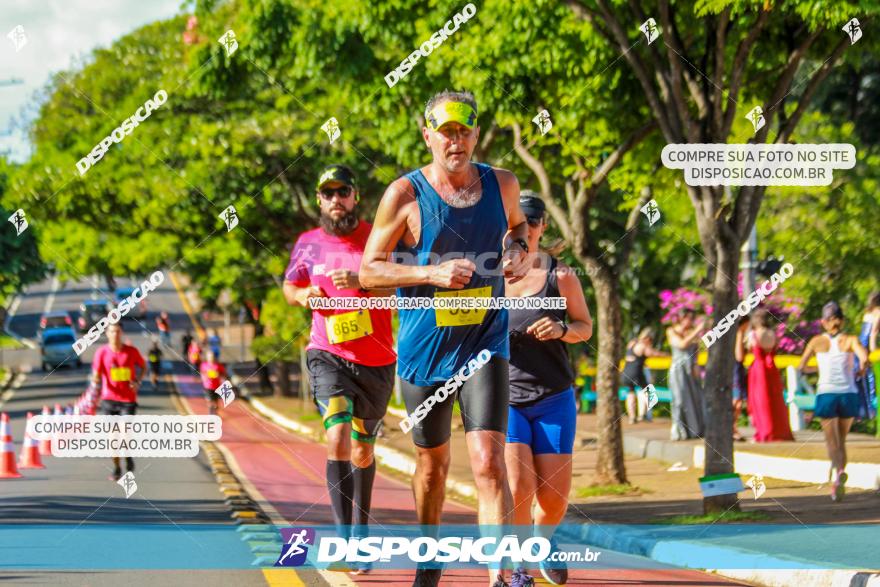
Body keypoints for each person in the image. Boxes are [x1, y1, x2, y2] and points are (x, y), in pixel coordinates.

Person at [360, 89, 530, 587]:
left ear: (476, 134)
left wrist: (519, 251)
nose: (455, 141)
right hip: (423, 352)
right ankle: (429, 559)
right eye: (446, 132)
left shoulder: (503, 184)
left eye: (464, 131)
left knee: (488, 462)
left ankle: (500, 576)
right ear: (427, 134)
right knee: (432, 467)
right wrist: (432, 275)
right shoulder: (404, 195)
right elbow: (368, 271)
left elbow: (518, 229)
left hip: (485, 342)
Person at [283, 164, 396, 573]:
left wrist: (364, 282)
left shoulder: (375, 238)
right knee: (337, 437)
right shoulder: (307, 244)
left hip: (377, 359)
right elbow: (289, 286)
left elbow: (401, 286)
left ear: (354, 196)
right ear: (319, 199)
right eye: (327, 193)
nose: (336, 200)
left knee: (364, 448)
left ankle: (360, 533)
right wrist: (303, 295)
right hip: (327, 352)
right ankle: (344, 537)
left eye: (342, 192)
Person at [503, 193, 593, 586]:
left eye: (534, 220)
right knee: (519, 486)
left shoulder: (562, 275)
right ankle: (521, 567)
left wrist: (561, 330)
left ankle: (544, 540)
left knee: (553, 497)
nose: (527, 228)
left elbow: (584, 326)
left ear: (542, 227)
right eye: (518, 221)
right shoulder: (490, 277)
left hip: (553, 397)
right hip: (505, 398)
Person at [798, 302, 870, 501]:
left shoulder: (816, 341)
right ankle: (840, 475)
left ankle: (837, 476)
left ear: (823, 321)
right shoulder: (850, 340)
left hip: (827, 394)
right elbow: (864, 358)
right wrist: (861, 369)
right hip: (848, 394)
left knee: (832, 442)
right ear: (842, 320)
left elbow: (802, 366)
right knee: (842, 440)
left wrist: (817, 369)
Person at [89, 322, 145, 481]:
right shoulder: (101, 353)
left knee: (125, 434)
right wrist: (95, 379)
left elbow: (142, 366)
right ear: (107, 334)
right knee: (113, 438)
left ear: (122, 333)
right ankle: (116, 467)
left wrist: (138, 381)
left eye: (118, 331)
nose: (115, 334)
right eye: (112, 331)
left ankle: (128, 457)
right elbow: (96, 374)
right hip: (109, 400)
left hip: (128, 400)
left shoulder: (131, 351)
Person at [740, 309, 793, 442]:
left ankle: (766, 431)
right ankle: (779, 430)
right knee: (776, 400)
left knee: (761, 400)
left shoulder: (753, 335)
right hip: (772, 369)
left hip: (759, 370)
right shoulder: (773, 334)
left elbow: (743, 353)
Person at [666, 309, 706, 441]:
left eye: (691, 319)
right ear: (681, 318)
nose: (689, 321)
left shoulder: (691, 331)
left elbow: (696, 350)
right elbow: (681, 344)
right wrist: (697, 330)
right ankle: (679, 431)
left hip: (690, 368)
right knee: (680, 399)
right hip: (678, 369)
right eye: (687, 318)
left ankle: (695, 430)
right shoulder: (671, 331)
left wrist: (696, 364)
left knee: (695, 397)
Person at [622, 328, 666, 424]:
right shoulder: (642, 346)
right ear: (647, 338)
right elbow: (654, 353)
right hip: (636, 372)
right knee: (649, 391)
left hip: (626, 371)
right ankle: (642, 415)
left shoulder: (632, 343)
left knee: (630, 393)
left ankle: (632, 417)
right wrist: (667, 354)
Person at [855, 292, 879, 420]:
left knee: (864, 381)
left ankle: (866, 412)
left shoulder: (867, 314)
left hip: (859, 347)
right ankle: (872, 412)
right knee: (871, 380)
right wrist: (874, 352)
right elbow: (873, 334)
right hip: (866, 349)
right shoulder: (878, 313)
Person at [732, 317, 750, 441]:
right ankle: (732, 428)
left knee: (738, 402)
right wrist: (740, 334)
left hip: (737, 370)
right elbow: (739, 357)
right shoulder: (737, 334)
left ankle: (733, 427)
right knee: (736, 401)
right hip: (735, 370)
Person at [199, 350, 227, 415]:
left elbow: (223, 374)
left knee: (215, 402)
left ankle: (215, 411)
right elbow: (202, 374)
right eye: (209, 357)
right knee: (209, 400)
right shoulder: (204, 365)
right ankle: (211, 412)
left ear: (214, 357)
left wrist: (219, 375)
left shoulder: (218, 365)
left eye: (212, 357)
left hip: (217, 386)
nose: (211, 358)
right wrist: (204, 377)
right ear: (207, 357)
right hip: (208, 386)